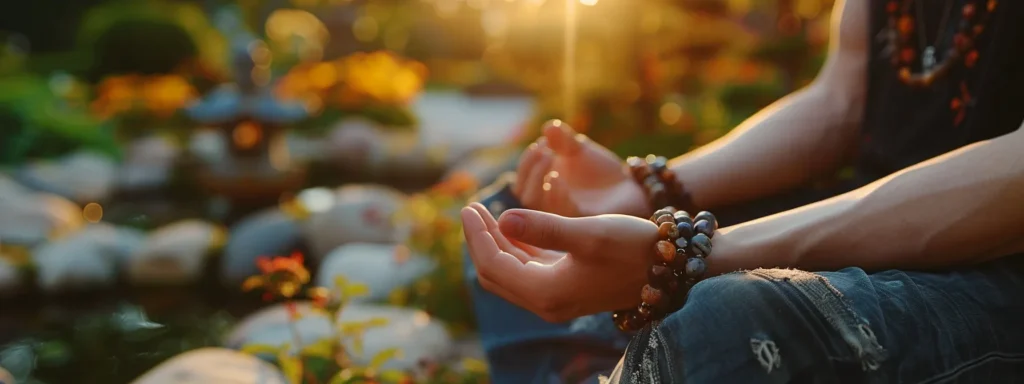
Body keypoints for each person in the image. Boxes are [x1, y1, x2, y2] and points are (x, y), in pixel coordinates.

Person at [461, 0, 1024, 382]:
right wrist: (648, 189)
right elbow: (839, 104)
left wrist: (690, 257)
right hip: (866, 218)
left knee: (721, 324)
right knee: (516, 214)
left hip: (1000, 274)